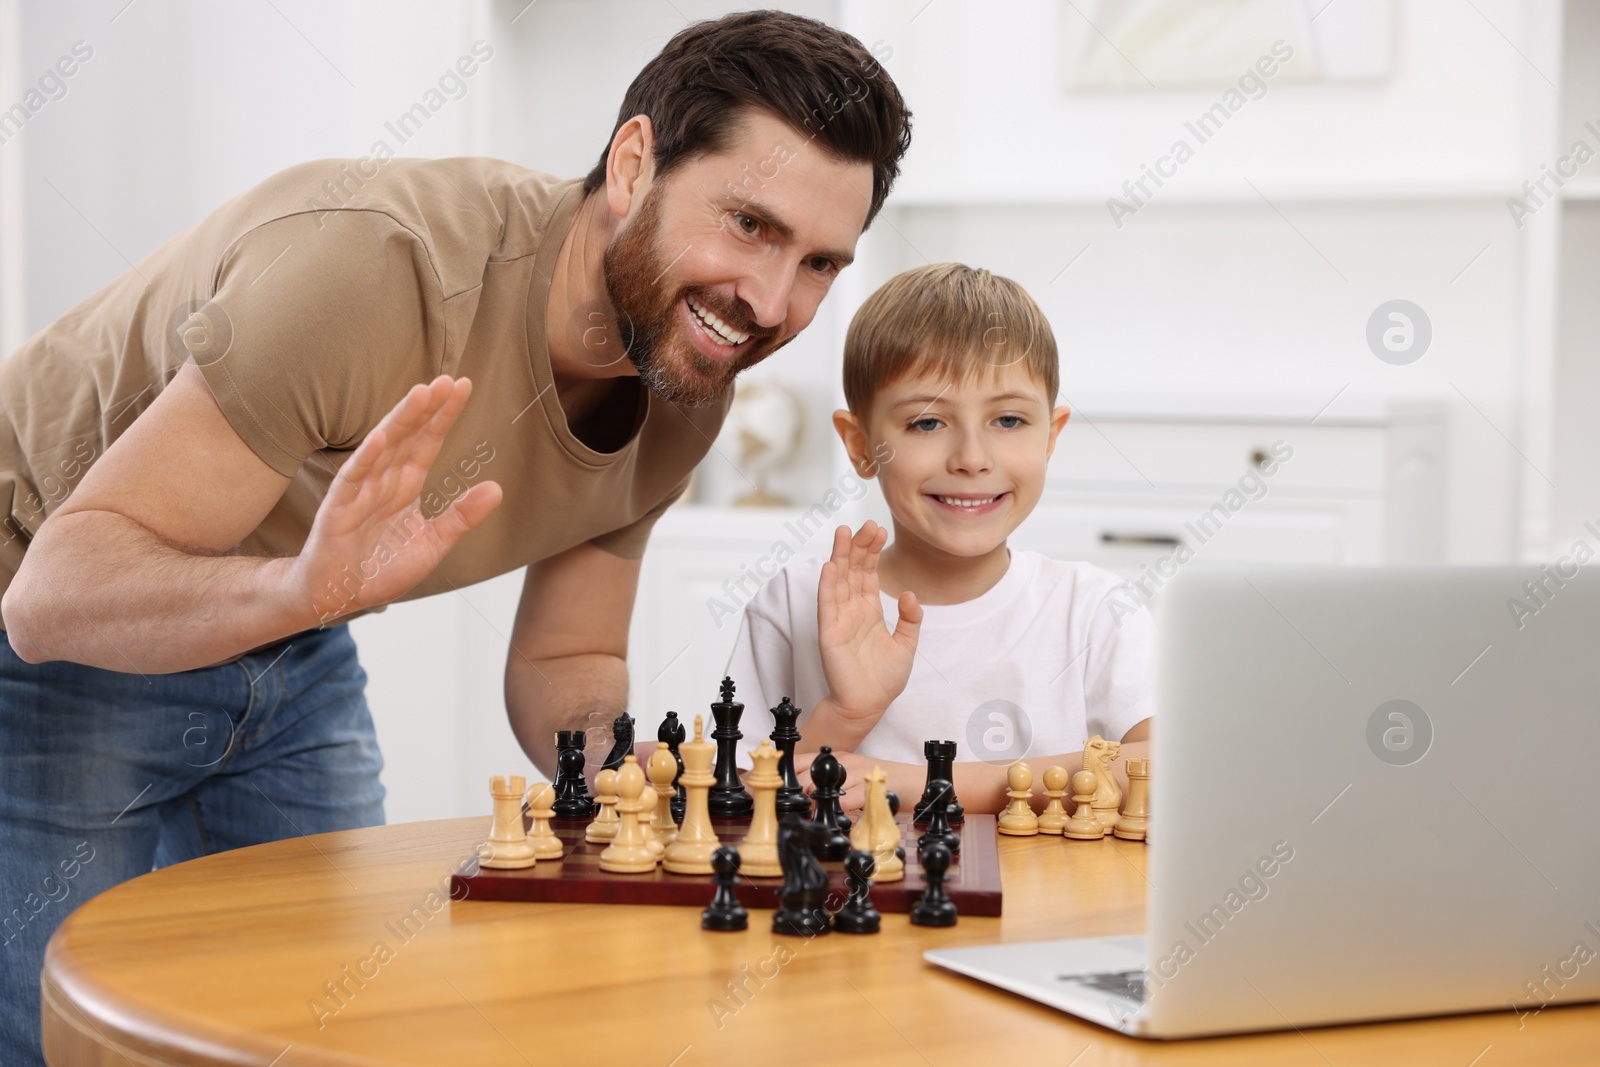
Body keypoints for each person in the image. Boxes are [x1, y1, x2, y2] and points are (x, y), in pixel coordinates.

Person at [0, 12, 911, 1063]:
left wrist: (669, 784)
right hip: (51, 609)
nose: (769, 302)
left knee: (324, 1024)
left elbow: (565, 664)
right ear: (632, 163)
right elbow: (50, 596)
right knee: (52, 1037)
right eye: (749, 224)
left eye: (817, 264)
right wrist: (301, 592)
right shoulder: (373, 269)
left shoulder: (684, 376)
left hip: (292, 639)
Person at [726, 263, 1152, 814]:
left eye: (1009, 421)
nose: (972, 459)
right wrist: (847, 715)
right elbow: (739, 813)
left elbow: (1164, 768)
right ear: (860, 445)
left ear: (1052, 435)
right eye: (927, 424)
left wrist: (925, 783)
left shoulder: (1095, 610)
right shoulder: (794, 602)